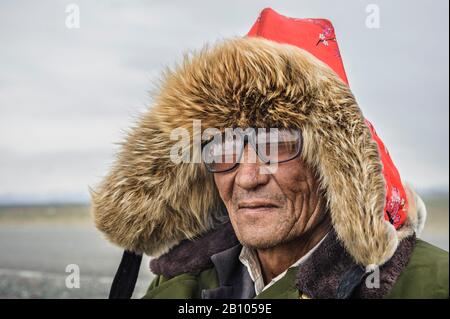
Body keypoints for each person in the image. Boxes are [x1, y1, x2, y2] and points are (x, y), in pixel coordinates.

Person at [91, 8, 448, 299]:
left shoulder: (430, 286)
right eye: (225, 145)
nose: (247, 177)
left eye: (276, 144)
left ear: (333, 160)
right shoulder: (176, 285)